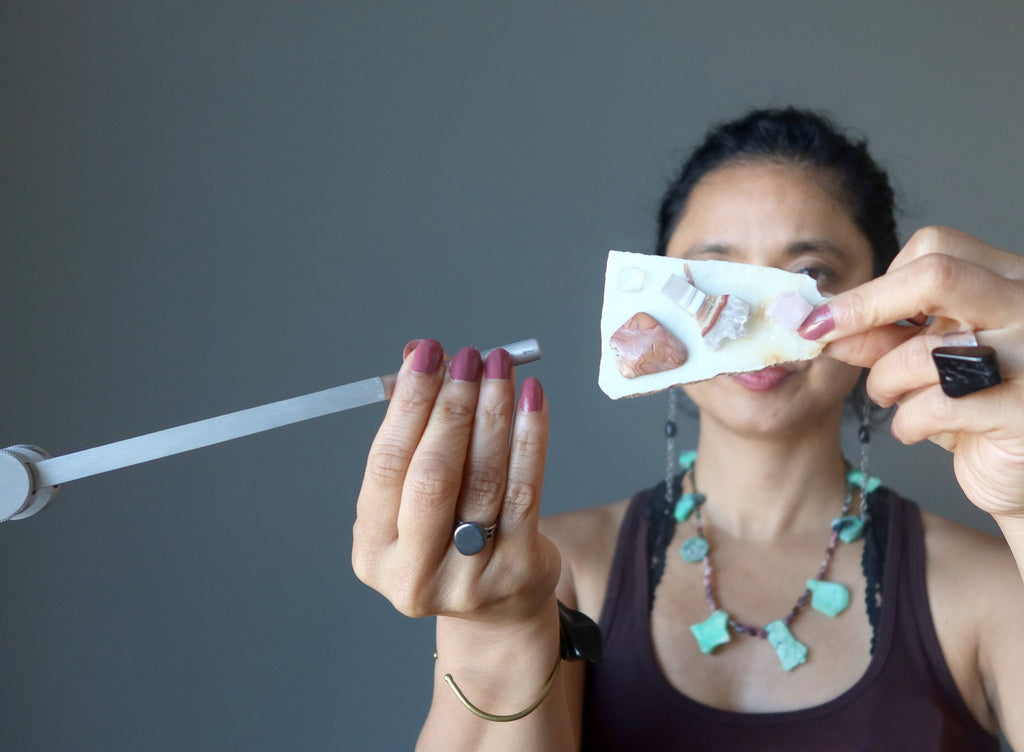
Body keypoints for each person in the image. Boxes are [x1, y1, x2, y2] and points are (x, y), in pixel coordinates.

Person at [351, 107, 1024, 750]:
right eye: (709, 275)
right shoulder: (545, 572)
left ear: (885, 301)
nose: (747, 316)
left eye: (809, 273)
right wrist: (495, 633)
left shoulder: (992, 586)